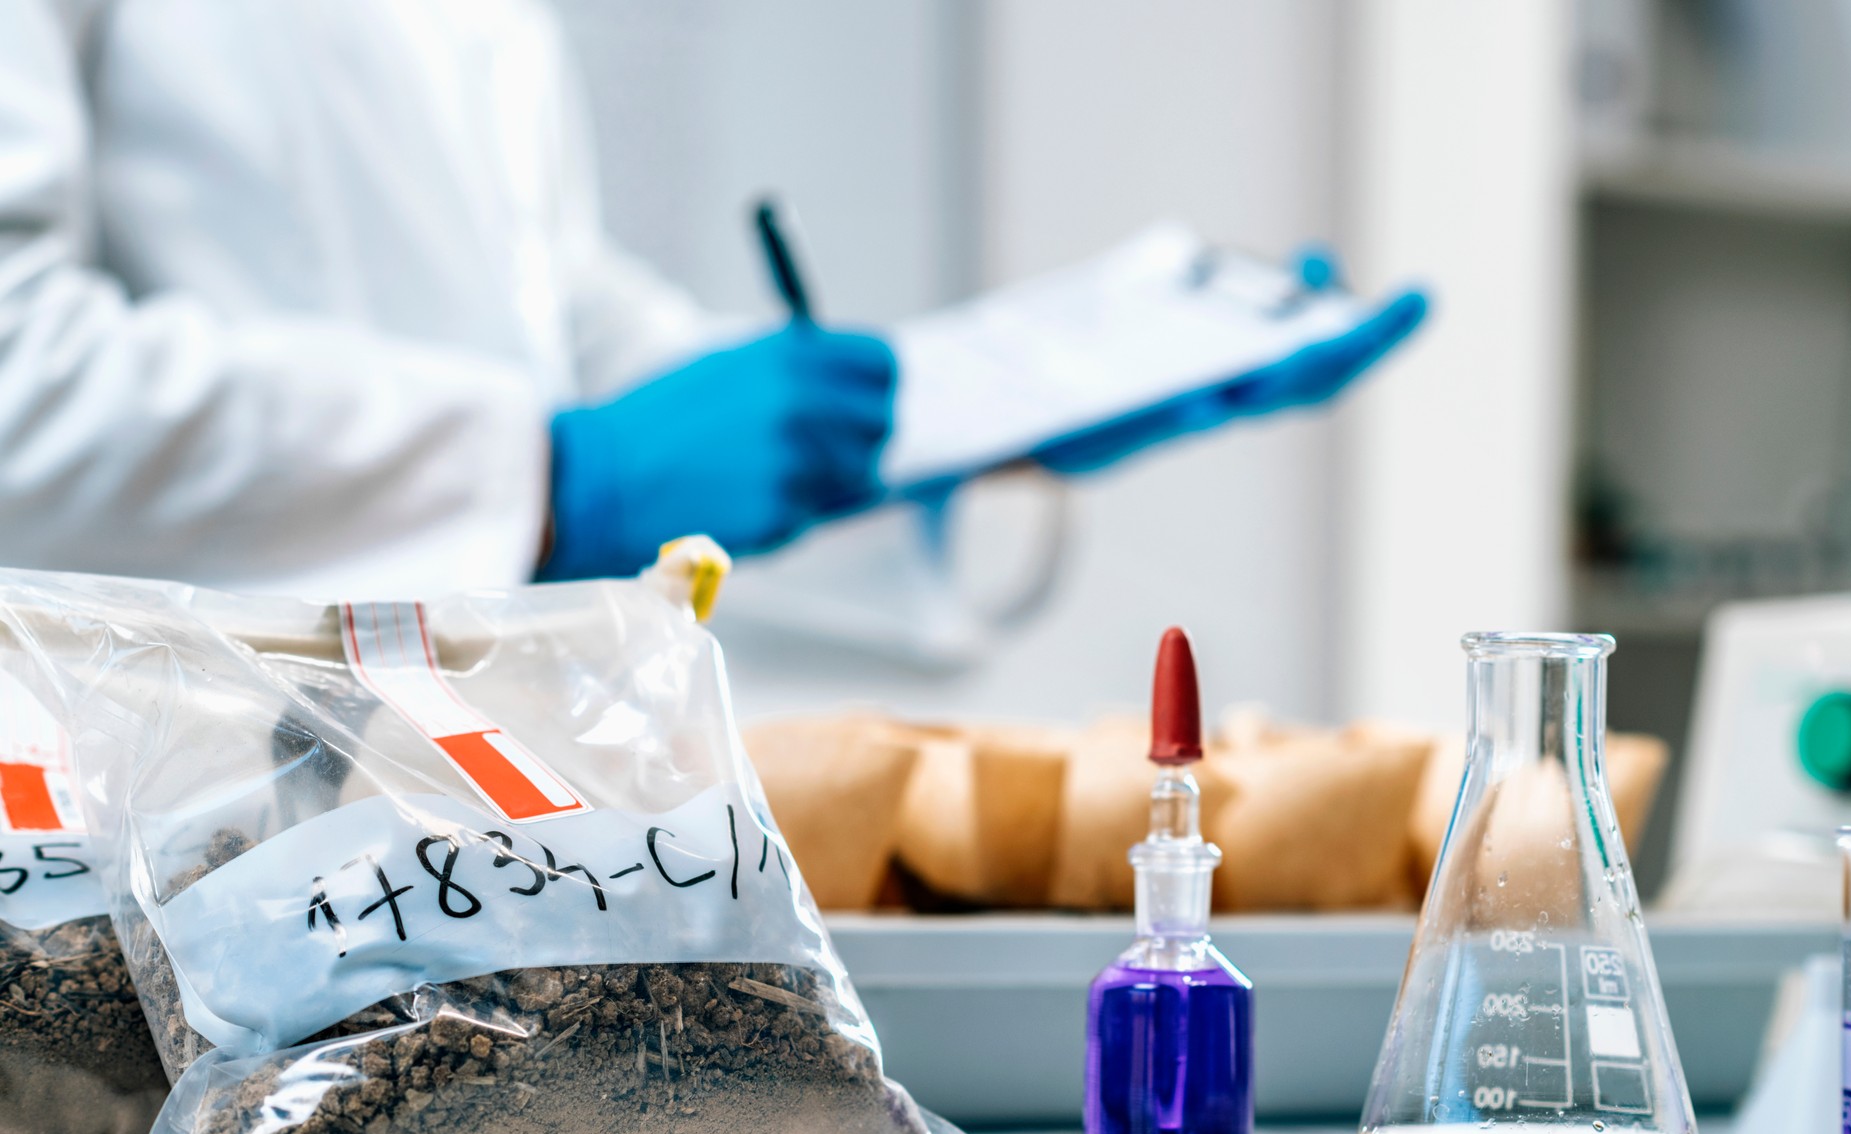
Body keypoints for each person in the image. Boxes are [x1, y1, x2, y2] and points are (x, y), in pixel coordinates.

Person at [0, 0, 1421, 599]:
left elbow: (539, 320)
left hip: (418, 833)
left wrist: (973, 402)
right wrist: (549, 477)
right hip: (104, 856)